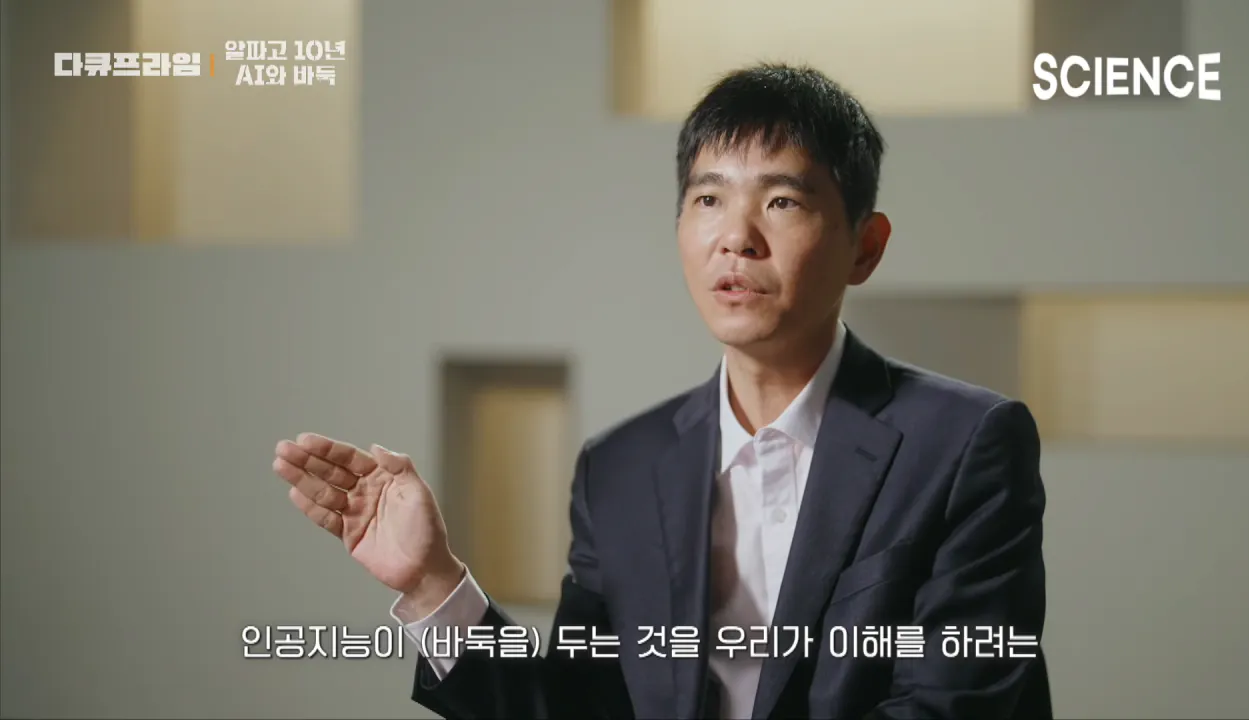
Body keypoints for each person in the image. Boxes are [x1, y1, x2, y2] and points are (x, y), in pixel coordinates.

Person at [272, 63, 1052, 719]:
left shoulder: (964, 444)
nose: (736, 237)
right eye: (709, 199)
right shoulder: (621, 467)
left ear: (865, 247)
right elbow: (578, 708)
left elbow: (954, 703)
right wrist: (433, 581)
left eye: (781, 201)